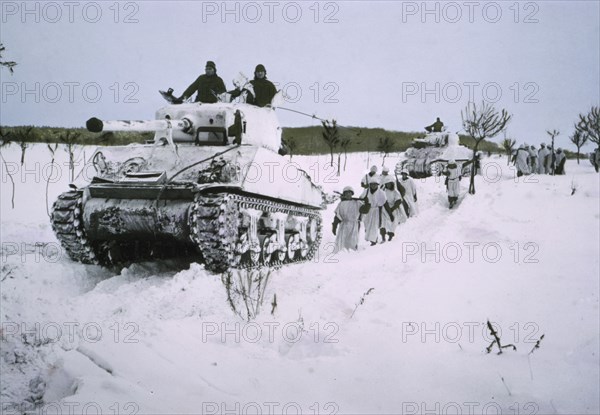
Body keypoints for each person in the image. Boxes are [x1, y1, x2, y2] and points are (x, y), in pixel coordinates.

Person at [332, 187, 364, 252]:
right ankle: (341, 253)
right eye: (346, 193)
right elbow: (337, 216)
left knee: (353, 240)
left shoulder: (357, 202)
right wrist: (334, 226)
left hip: (354, 224)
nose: (348, 194)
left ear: (352, 194)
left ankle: (352, 253)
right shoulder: (341, 204)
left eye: (349, 193)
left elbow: (364, 210)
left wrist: (367, 203)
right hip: (344, 225)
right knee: (342, 240)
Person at [360, 178, 388, 246]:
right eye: (372, 184)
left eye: (375, 184)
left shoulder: (381, 192)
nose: (373, 186)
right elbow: (360, 200)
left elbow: (384, 202)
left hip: (376, 211)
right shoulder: (366, 191)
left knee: (374, 226)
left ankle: (374, 241)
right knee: (367, 225)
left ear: (377, 185)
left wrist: (389, 213)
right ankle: (372, 239)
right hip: (368, 211)